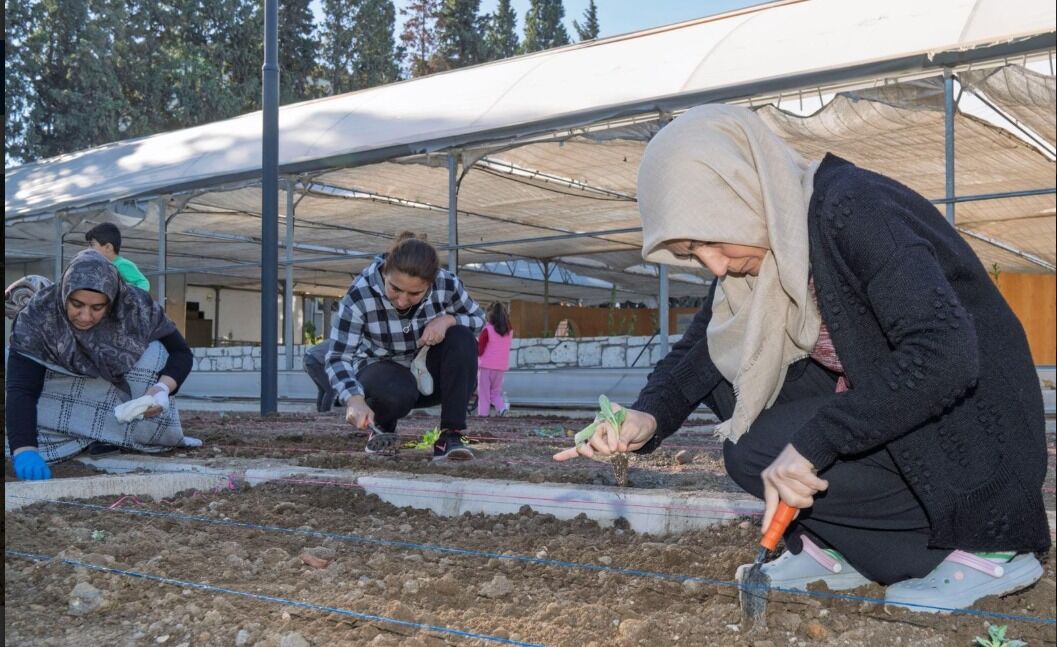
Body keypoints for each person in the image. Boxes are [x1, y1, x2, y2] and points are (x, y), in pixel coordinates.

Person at [554, 105, 1049, 613]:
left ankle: (993, 541)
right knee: (745, 417)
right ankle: (847, 550)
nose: (714, 264)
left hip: (981, 437)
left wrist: (817, 441)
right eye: (691, 253)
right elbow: (698, 353)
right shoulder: (765, 254)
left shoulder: (854, 209)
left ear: (741, 188)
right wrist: (646, 418)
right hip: (906, 432)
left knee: (776, 445)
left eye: (708, 239)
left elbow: (944, 353)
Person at [5, 250, 199, 480]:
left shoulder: (136, 308)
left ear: (112, 302)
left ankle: (113, 435)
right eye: (76, 304)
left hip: (116, 397)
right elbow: (22, 389)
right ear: (64, 293)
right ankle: (75, 436)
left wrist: (162, 390)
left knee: (156, 351)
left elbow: (181, 353)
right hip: (59, 399)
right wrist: (25, 449)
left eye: (97, 308)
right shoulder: (38, 315)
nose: (85, 316)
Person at [326, 232, 485, 461]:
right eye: (395, 289)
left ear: (430, 284)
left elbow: (479, 320)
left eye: (414, 294)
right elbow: (338, 357)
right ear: (385, 272)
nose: (402, 301)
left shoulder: (447, 284)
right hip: (383, 376)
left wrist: (449, 320)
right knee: (394, 390)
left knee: (462, 337)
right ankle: (382, 430)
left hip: (427, 373)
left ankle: (451, 436)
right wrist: (354, 399)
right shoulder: (360, 294)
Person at [85, 222, 150, 291]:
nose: (88, 249)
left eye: (92, 244)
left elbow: (143, 283)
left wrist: (132, 296)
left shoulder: (122, 265)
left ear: (108, 247)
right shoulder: (101, 266)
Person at [477, 302, 514, 416]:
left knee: (484, 394)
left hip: (486, 367)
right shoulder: (509, 331)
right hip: (501, 367)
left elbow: (480, 350)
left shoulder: (487, 331)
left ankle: (483, 415)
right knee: (495, 393)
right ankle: (502, 409)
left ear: (490, 316)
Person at [303, 339, 337, 412]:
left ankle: (320, 411)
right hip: (314, 362)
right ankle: (325, 412)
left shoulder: (335, 339)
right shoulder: (339, 345)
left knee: (323, 389)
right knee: (331, 390)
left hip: (309, 359)